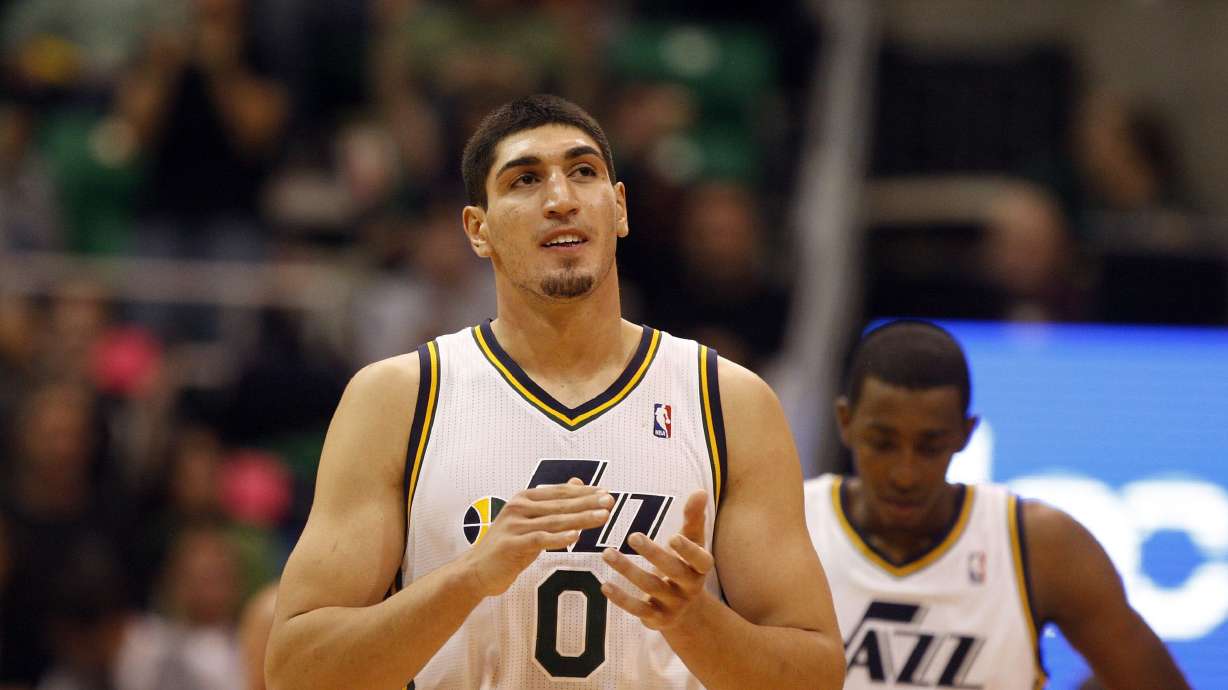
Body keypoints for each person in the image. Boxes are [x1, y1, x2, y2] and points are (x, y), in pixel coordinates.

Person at [265, 94, 843, 689]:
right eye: (524, 179)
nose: (561, 199)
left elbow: (817, 674)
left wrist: (696, 622)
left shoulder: (727, 400)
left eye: (584, 172)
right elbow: (297, 671)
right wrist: (469, 577)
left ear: (619, 208)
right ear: (478, 230)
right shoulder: (398, 398)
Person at [804, 320, 1189, 689]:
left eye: (930, 447)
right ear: (845, 422)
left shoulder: (1042, 546)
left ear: (966, 434)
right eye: (882, 444)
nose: (905, 474)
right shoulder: (794, 522)